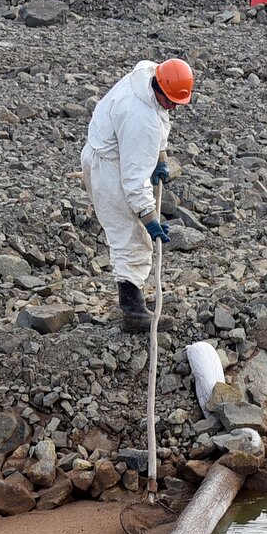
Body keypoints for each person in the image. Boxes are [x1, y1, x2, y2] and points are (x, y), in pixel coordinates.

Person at [80, 58, 193, 331]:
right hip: (107, 168)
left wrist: (160, 156)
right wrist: (150, 218)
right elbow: (134, 183)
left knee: (133, 235)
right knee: (131, 237)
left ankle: (135, 299)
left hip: (104, 151)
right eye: (171, 102)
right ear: (160, 89)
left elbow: (161, 118)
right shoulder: (141, 120)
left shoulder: (147, 73)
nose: (173, 108)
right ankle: (132, 311)